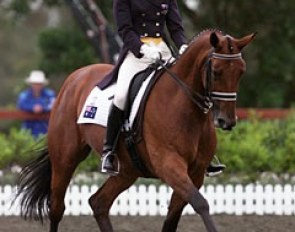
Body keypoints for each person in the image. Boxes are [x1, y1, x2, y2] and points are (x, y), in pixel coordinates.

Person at [100, 0, 225, 175]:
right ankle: (109, 152)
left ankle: (205, 153)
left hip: (162, 49)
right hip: (136, 52)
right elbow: (125, 30)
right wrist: (142, 48)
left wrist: (182, 45)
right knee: (121, 96)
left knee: (189, 89)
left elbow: (175, 27)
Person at [17, 70, 56, 138]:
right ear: (31, 84)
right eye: (35, 83)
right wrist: (32, 108)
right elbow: (21, 105)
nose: (37, 86)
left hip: (45, 129)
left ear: (43, 84)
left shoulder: (50, 94)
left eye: (39, 83)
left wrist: (43, 108)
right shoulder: (24, 95)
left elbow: (53, 105)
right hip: (28, 129)